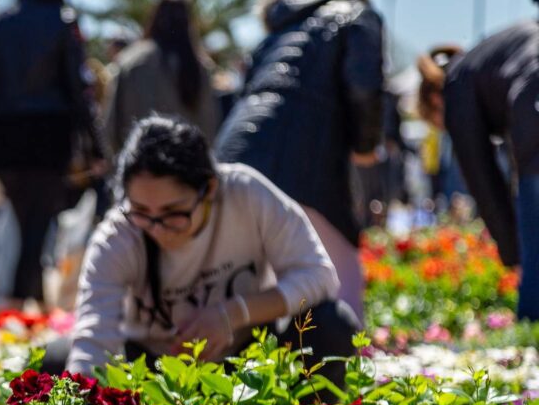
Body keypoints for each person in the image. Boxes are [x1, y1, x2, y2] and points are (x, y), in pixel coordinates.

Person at [65, 116, 356, 390]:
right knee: (53, 364)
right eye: (141, 211)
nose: (158, 229)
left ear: (210, 190)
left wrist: (234, 313)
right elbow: (94, 337)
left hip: (250, 360)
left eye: (173, 213)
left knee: (332, 324)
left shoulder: (246, 194)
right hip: (153, 371)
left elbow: (319, 275)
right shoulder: (119, 235)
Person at [215, 0, 384, 325]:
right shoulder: (357, 16)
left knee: (250, 280)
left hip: (234, 152)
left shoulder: (278, 31)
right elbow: (365, 86)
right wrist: (365, 148)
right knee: (340, 272)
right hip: (303, 155)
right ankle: (347, 367)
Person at [0, 0, 105, 309]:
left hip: (7, 135)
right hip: (49, 134)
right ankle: (21, 300)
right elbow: (79, 88)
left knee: (29, 222)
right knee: (37, 225)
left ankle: (29, 299)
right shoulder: (62, 21)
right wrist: (95, 146)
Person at [418, 21, 539, 320]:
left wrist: (514, 254)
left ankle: (532, 322)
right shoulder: (481, 62)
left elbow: (482, 179)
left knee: (535, 231)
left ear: (435, 101)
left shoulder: (456, 85)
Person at [103, 0, 219, 155]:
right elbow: (210, 126)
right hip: (187, 169)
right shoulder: (200, 66)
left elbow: (111, 126)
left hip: (139, 168)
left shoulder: (131, 61)